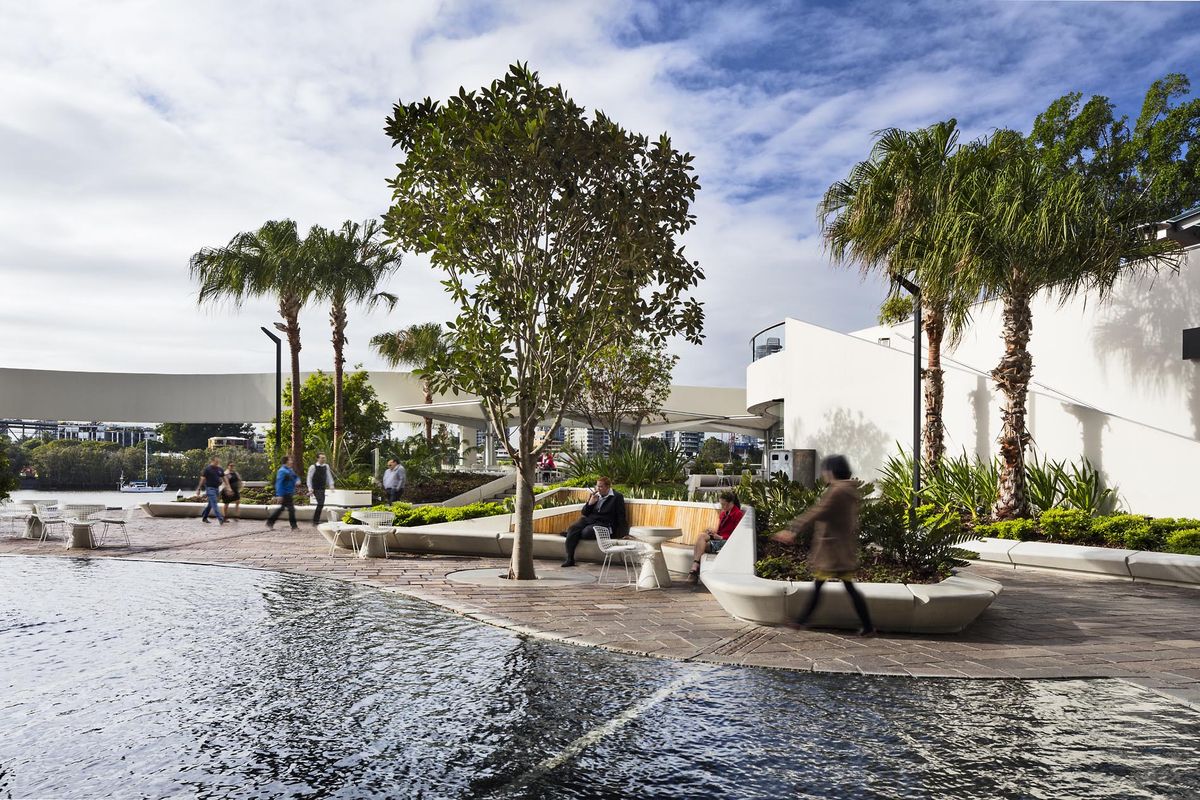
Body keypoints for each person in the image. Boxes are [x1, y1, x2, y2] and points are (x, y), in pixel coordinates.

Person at [770, 455, 875, 636]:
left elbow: (817, 511)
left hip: (833, 550)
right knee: (843, 587)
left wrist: (793, 529)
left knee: (820, 586)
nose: (824, 474)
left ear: (831, 471)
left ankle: (800, 622)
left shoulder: (837, 491)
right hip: (841, 548)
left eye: (825, 470)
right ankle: (867, 626)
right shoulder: (849, 490)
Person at [560, 476, 628, 567]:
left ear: (608, 487)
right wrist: (590, 503)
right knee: (573, 528)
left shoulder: (617, 497)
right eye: (597, 486)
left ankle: (571, 535)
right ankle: (570, 559)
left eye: (601, 487)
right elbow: (584, 512)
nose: (598, 489)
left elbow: (621, 515)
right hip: (589, 520)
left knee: (586, 532)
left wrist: (623, 533)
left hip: (604, 523)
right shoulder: (595, 495)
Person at [686, 490, 744, 585]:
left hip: (727, 541)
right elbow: (720, 530)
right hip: (719, 538)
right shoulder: (724, 513)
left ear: (731, 503)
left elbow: (737, 534)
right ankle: (695, 565)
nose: (722, 507)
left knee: (701, 546)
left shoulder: (737, 514)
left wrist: (720, 537)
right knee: (701, 536)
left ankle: (694, 569)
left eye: (724, 504)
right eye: (721, 504)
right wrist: (713, 532)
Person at [266, 456, 299, 531]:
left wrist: (298, 480)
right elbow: (279, 483)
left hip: (289, 493)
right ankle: (294, 527)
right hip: (285, 493)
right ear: (286, 461)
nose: (292, 462)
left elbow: (295, 477)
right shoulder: (282, 471)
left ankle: (270, 522)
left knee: (281, 509)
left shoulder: (290, 470)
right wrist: (280, 495)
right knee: (291, 509)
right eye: (290, 460)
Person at [196, 456, 230, 525]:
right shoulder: (207, 469)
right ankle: (220, 519)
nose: (217, 463)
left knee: (211, 504)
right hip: (210, 489)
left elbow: (224, 478)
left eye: (218, 462)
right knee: (214, 503)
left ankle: (204, 516)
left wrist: (228, 486)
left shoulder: (220, 469)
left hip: (217, 489)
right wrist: (199, 488)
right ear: (212, 461)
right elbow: (202, 479)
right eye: (216, 461)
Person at [306, 453, 335, 526]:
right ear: (318, 458)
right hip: (315, 488)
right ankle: (315, 521)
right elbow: (309, 478)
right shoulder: (313, 467)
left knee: (321, 504)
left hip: (322, 488)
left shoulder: (326, 466)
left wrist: (331, 484)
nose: (323, 459)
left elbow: (328, 476)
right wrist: (310, 488)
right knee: (320, 503)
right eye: (322, 458)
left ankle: (315, 520)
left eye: (324, 458)